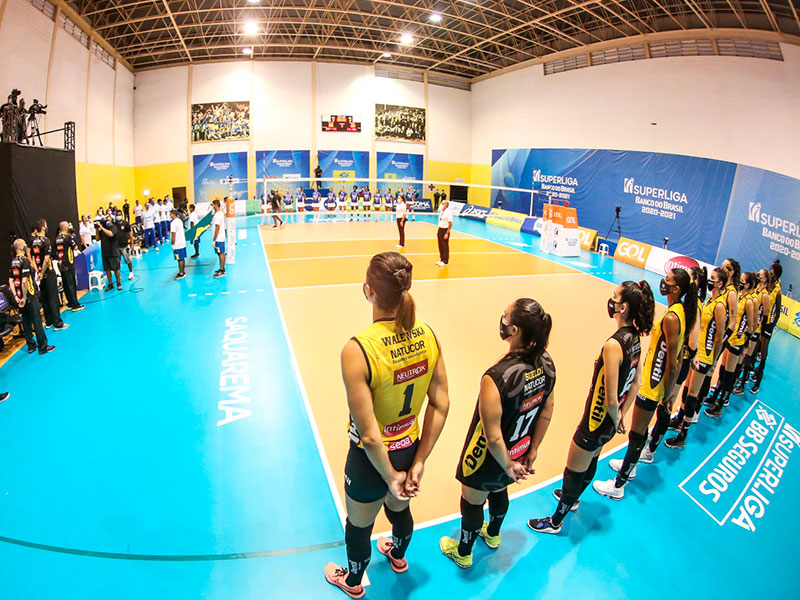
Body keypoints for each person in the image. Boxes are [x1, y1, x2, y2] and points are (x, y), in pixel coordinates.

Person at [324, 252, 450, 598]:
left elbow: (368, 435)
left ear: (369, 290)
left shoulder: (358, 349)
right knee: (400, 508)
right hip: (408, 450)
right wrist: (418, 461)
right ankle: (396, 554)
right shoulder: (428, 335)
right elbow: (441, 403)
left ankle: (352, 581)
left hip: (369, 461)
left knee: (359, 526)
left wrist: (388, 476)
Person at [527, 281, 653, 534]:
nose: (611, 300)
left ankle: (555, 520)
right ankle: (571, 498)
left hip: (595, 420)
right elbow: (636, 381)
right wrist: (620, 418)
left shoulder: (613, 345)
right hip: (609, 421)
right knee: (592, 458)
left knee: (574, 468)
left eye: (615, 297)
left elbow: (609, 396)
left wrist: (615, 413)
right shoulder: (635, 339)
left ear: (623, 307)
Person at [441, 299, 555, 566]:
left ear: (514, 330)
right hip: (520, 446)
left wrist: (506, 463)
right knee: (501, 488)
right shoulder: (547, 362)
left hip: (492, 454)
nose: (501, 320)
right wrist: (532, 449)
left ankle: (464, 552)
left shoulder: (496, 377)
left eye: (505, 316)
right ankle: (492, 534)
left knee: (472, 501)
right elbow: (547, 408)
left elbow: (491, 436)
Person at [593, 268, 696, 499]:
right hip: (656, 382)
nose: (663, 283)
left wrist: (668, 394)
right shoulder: (679, 311)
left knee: (637, 434)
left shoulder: (671, 317)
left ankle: (618, 485)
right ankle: (630, 465)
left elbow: (671, 361)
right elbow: (678, 356)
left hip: (652, 384)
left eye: (668, 280)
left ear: (677, 289)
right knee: (638, 434)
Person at [664, 267, 728, 448]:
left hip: (705, 356)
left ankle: (683, 434)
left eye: (715, 279)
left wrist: (713, 359)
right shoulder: (708, 300)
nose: (712, 281)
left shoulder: (720, 305)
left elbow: (719, 334)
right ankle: (679, 420)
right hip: (697, 354)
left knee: (693, 394)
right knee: (687, 390)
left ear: (720, 283)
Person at [705, 272, 757, 418]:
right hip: (730, 339)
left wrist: (744, 339)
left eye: (742, 281)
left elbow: (751, 324)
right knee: (722, 370)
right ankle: (715, 395)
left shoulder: (749, 301)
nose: (739, 283)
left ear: (747, 284)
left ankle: (721, 404)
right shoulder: (740, 297)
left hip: (737, 341)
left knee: (729, 373)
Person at [8, 239, 54, 354]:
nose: (26, 247)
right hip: (29, 295)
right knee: (36, 320)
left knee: (26, 321)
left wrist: (16, 296)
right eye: (24, 245)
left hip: (19, 297)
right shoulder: (25, 261)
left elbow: (11, 280)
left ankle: (31, 345)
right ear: (20, 248)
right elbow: (24, 281)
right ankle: (43, 346)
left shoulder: (13, 262)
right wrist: (24, 297)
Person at [733, 268, 771, 395]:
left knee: (748, 358)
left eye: (760, 276)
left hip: (756, 330)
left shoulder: (765, 295)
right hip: (746, 329)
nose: (757, 276)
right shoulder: (754, 292)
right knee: (742, 357)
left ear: (764, 279)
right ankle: (737, 380)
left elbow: (765, 314)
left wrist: (759, 331)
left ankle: (743, 384)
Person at [30, 219, 67, 330]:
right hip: (48, 272)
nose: (47, 227)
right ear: (43, 227)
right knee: (53, 297)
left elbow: (33, 258)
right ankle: (57, 323)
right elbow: (46, 260)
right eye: (45, 225)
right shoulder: (46, 241)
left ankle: (49, 321)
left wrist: (38, 272)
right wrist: (42, 272)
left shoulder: (34, 241)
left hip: (40, 274)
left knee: (45, 297)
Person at [751, 260, 782, 393]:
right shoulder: (764, 285)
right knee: (754, 347)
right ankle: (749, 370)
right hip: (759, 321)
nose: (770, 273)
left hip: (768, 324)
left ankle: (759, 378)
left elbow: (778, 310)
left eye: (772, 272)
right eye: (770, 271)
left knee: (763, 349)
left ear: (777, 275)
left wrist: (771, 325)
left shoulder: (778, 289)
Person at [54, 221, 85, 312]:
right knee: (71, 283)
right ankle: (75, 304)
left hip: (61, 264)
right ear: (66, 228)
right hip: (68, 263)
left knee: (66, 284)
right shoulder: (67, 237)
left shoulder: (57, 238)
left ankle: (70, 303)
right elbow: (75, 247)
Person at [96, 214, 122, 291]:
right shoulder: (102, 230)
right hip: (105, 252)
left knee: (116, 269)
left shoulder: (114, 228)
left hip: (113, 252)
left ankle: (118, 283)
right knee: (107, 269)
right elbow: (97, 238)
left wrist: (101, 228)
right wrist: (97, 229)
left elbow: (111, 234)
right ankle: (110, 284)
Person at [116, 212, 135, 281]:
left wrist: (132, 243)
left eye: (119, 215)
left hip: (124, 245)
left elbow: (130, 233)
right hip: (116, 246)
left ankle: (131, 272)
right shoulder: (114, 224)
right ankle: (119, 276)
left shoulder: (126, 223)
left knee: (128, 260)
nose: (118, 216)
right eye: (117, 215)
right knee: (117, 262)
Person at [169, 209, 187, 280]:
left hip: (177, 243)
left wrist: (173, 244)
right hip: (182, 242)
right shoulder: (180, 221)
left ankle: (181, 273)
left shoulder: (173, 223)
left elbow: (173, 234)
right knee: (182, 258)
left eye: (171, 214)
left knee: (179, 259)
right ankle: (183, 272)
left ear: (173, 214)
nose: (170, 215)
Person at [211, 199, 226, 278]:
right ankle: (222, 268)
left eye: (213, 205)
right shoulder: (218, 214)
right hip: (219, 237)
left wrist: (214, 240)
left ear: (216, 205)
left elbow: (217, 228)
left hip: (218, 238)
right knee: (220, 253)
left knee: (221, 253)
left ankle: (222, 270)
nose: (212, 206)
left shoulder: (218, 215)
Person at [436, 199, 453, 267]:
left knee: (445, 246)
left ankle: (445, 261)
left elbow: (450, 223)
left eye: (443, 204)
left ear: (446, 205)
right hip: (440, 229)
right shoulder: (442, 211)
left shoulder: (448, 212)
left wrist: (447, 233)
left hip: (445, 230)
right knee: (440, 245)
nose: (442, 205)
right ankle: (441, 259)